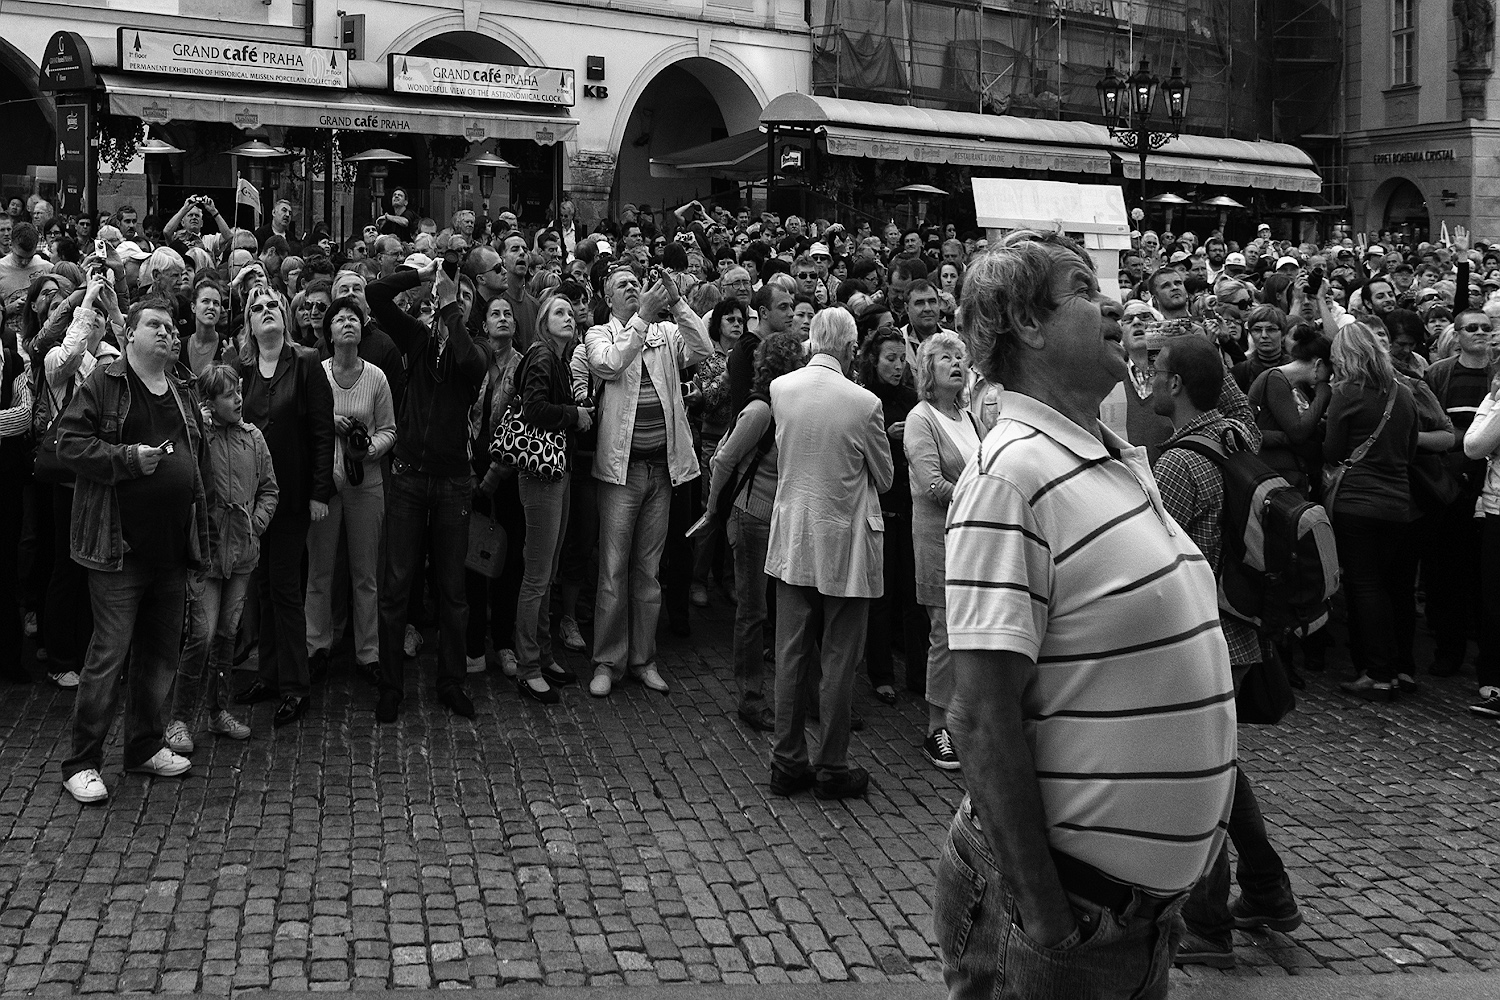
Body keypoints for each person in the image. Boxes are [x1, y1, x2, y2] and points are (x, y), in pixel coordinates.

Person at [937, 231, 1235, 1000]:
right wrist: (1043, 912)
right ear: (1026, 325)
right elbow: (979, 714)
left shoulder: (1109, 455)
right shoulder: (1011, 474)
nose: (1109, 302)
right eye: (1080, 287)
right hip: (1072, 920)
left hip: (1136, 915)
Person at [1148, 336, 1304, 969]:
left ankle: (1208, 924)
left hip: (1200, 636)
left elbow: (1159, 565)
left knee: (1197, 777)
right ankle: (1267, 892)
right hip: (1239, 633)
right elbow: (1228, 393)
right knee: (1222, 765)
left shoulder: (1180, 466)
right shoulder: (1236, 433)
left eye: (1155, 371)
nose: (1146, 380)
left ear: (1179, 385)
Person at [56, 297, 214, 803]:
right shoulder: (107, 382)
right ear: (131, 336)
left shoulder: (184, 389)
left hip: (170, 548)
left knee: (160, 654)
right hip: (118, 547)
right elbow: (68, 442)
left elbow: (197, 460)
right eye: (156, 325)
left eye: (172, 327)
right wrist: (126, 458)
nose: (168, 334)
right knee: (110, 653)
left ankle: (144, 747)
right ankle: (81, 761)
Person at [764, 308, 892, 801]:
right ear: (849, 348)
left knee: (791, 652)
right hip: (845, 542)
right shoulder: (864, 404)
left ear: (812, 340)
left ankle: (786, 760)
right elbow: (884, 476)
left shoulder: (782, 390)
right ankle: (831, 766)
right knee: (840, 656)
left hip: (795, 533)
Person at [584, 265, 714, 697]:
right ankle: (607, 661)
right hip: (620, 473)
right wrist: (642, 317)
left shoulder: (665, 333)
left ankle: (644, 659)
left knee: (648, 571)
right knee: (613, 570)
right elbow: (609, 365)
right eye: (621, 284)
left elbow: (702, 346)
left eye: (636, 282)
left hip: (661, 469)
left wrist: (677, 302)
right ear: (606, 295)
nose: (632, 287)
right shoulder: (599, 335)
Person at [367, 260, 487, 722]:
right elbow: (376, 295)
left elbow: (464, 361)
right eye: (453, 295)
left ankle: (451, 682)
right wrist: (424, 275)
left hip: (454, 480)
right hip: (410, 477)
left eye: (467, 298)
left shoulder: (472, 350)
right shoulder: (416, 339)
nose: (457, 300)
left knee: (453, 590)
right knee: (396, 586)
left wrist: (453, 304)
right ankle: (391, 685)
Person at [231, 286, 336, 728]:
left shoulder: (308, 361)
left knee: (286, 587)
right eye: (256, 309)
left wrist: (318, 493)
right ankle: (269, 675)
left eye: (272, 304)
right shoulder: (245, 371)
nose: (265, 311)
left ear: (284, 315)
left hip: (293, 497)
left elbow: (321, 431)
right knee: (264, 587)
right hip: (255, 501)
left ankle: (295, 686)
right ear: (250, 326)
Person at [695, 333, 806, 731]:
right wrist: (713, 510)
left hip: (780, 519)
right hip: (753, 517)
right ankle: (751, 697)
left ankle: (794, 694)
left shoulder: (792, 407)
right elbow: (722, 460)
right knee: (753, 611)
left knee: (780, 611)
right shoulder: (761, 410)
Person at [164, 366, 279, 750]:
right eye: (228, 395)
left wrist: (256, 524)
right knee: (202, 634)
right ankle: (179, 718)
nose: (238, 400)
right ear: (210, 404)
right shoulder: (200, 437)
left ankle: (218, 711)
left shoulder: (254, 437)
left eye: (239, 392)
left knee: (229, 633)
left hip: (242, 551)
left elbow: (269, 489)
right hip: (208, 550)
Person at [1323, 323, 1419, 701]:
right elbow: (1410, 452)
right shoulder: (1405, 393)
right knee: (1396, 589)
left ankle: (1377, 673)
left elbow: (1331, 452)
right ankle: (1399, 669)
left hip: (1357, 503)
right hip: (1399, 504)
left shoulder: (1346, 392)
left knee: (1365, 587)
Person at [303, 296, 397, 685]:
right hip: (325, 484)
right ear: (328, 331)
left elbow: (390, 429)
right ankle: (316, 647)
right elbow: (305, 424)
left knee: (365, 573)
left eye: (354, 318)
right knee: (320, 571)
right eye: (339, 319)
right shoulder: (315, 373)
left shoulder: (376, 377)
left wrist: (368, 449)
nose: (347, 324)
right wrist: (331, 420)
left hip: (366, 481)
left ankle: (368, 653)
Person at [509, 294, 594, 703]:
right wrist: (574, 415)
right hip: (540, 474)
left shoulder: (557, 358)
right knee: (538, 574)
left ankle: (542, 654)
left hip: (556, 471)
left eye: (570, 311)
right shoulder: (543, 356)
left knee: (548, 570)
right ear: (543, 322)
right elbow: (533, 409)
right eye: (557, 312)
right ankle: (528, 665)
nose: (568, 316)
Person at [903, 332, 982, 771]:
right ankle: (938, 728)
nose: (956, 363)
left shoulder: (969, 418)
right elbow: (932, 485)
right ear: (927, 371)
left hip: (973, 538)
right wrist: (982, 498)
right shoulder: (922, 418)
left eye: (960, 357)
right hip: (939, 538)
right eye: (945, 358)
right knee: (944, 633)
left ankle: (964, 718)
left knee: (970, 632)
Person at [856, 319, 925, 703]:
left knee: (913, 596)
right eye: (890, 359)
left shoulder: (912, 399)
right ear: (874, 360)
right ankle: (880, 672)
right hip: (879, 506)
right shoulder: (865, 399)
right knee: (881, 596)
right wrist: (886, 435)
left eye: (902, 358)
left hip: (910, 502)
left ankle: (918, 672)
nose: (898, 366)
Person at [468, 295, 526, 679]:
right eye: (495, 314)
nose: (503, 319)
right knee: (471, 558)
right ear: (484, 324)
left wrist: (495, 473)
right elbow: (458, 414)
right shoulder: (473, 363)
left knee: (508, 560)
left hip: (508, 476)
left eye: (508, 314)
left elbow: (521, 422)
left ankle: (503, 641)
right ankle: (473, 644)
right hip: (469, 471)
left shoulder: (523, 367)